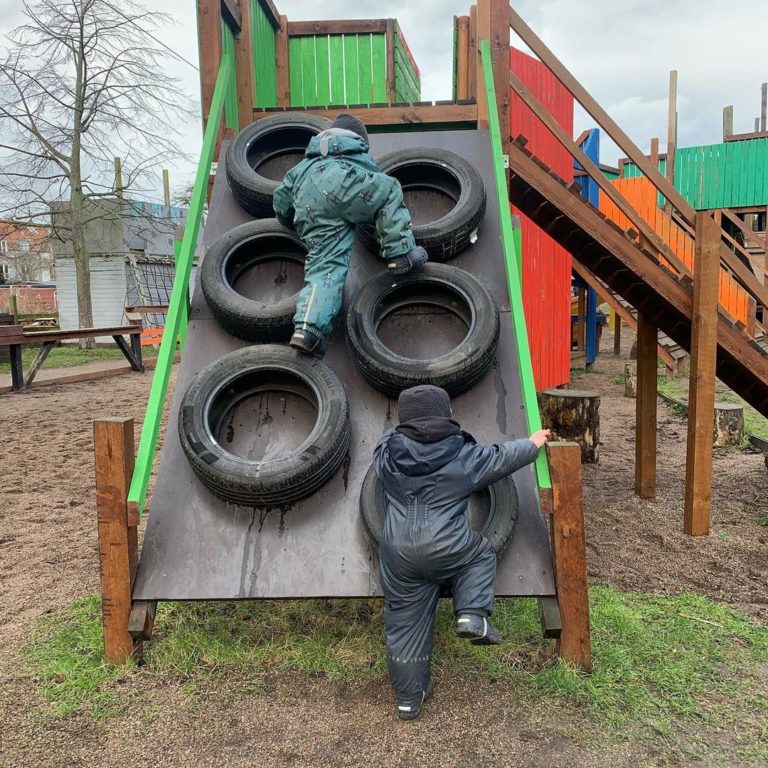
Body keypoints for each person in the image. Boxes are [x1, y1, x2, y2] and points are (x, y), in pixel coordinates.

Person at [373, 384, 550, 720]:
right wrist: (531, 444)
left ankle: (408, 701)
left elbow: (383, 443)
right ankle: (471, 614)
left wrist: (394, 433)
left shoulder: (386, 454)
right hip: (448, 546)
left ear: (404, 420)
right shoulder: (463, 455)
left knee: (404, 625)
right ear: (448, 415)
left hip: (397, 552)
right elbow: (500, 458)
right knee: (480, 554)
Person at [273, 113, 428, 359]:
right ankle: (399, 253)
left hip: (309, 207)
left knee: (325, 268)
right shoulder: (356, 151)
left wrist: (286, 218)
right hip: (341, 189)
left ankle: (307, 330)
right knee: (388, 190)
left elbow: (281, 199)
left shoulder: (304, 164)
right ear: (358, 137)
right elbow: (372, 178)